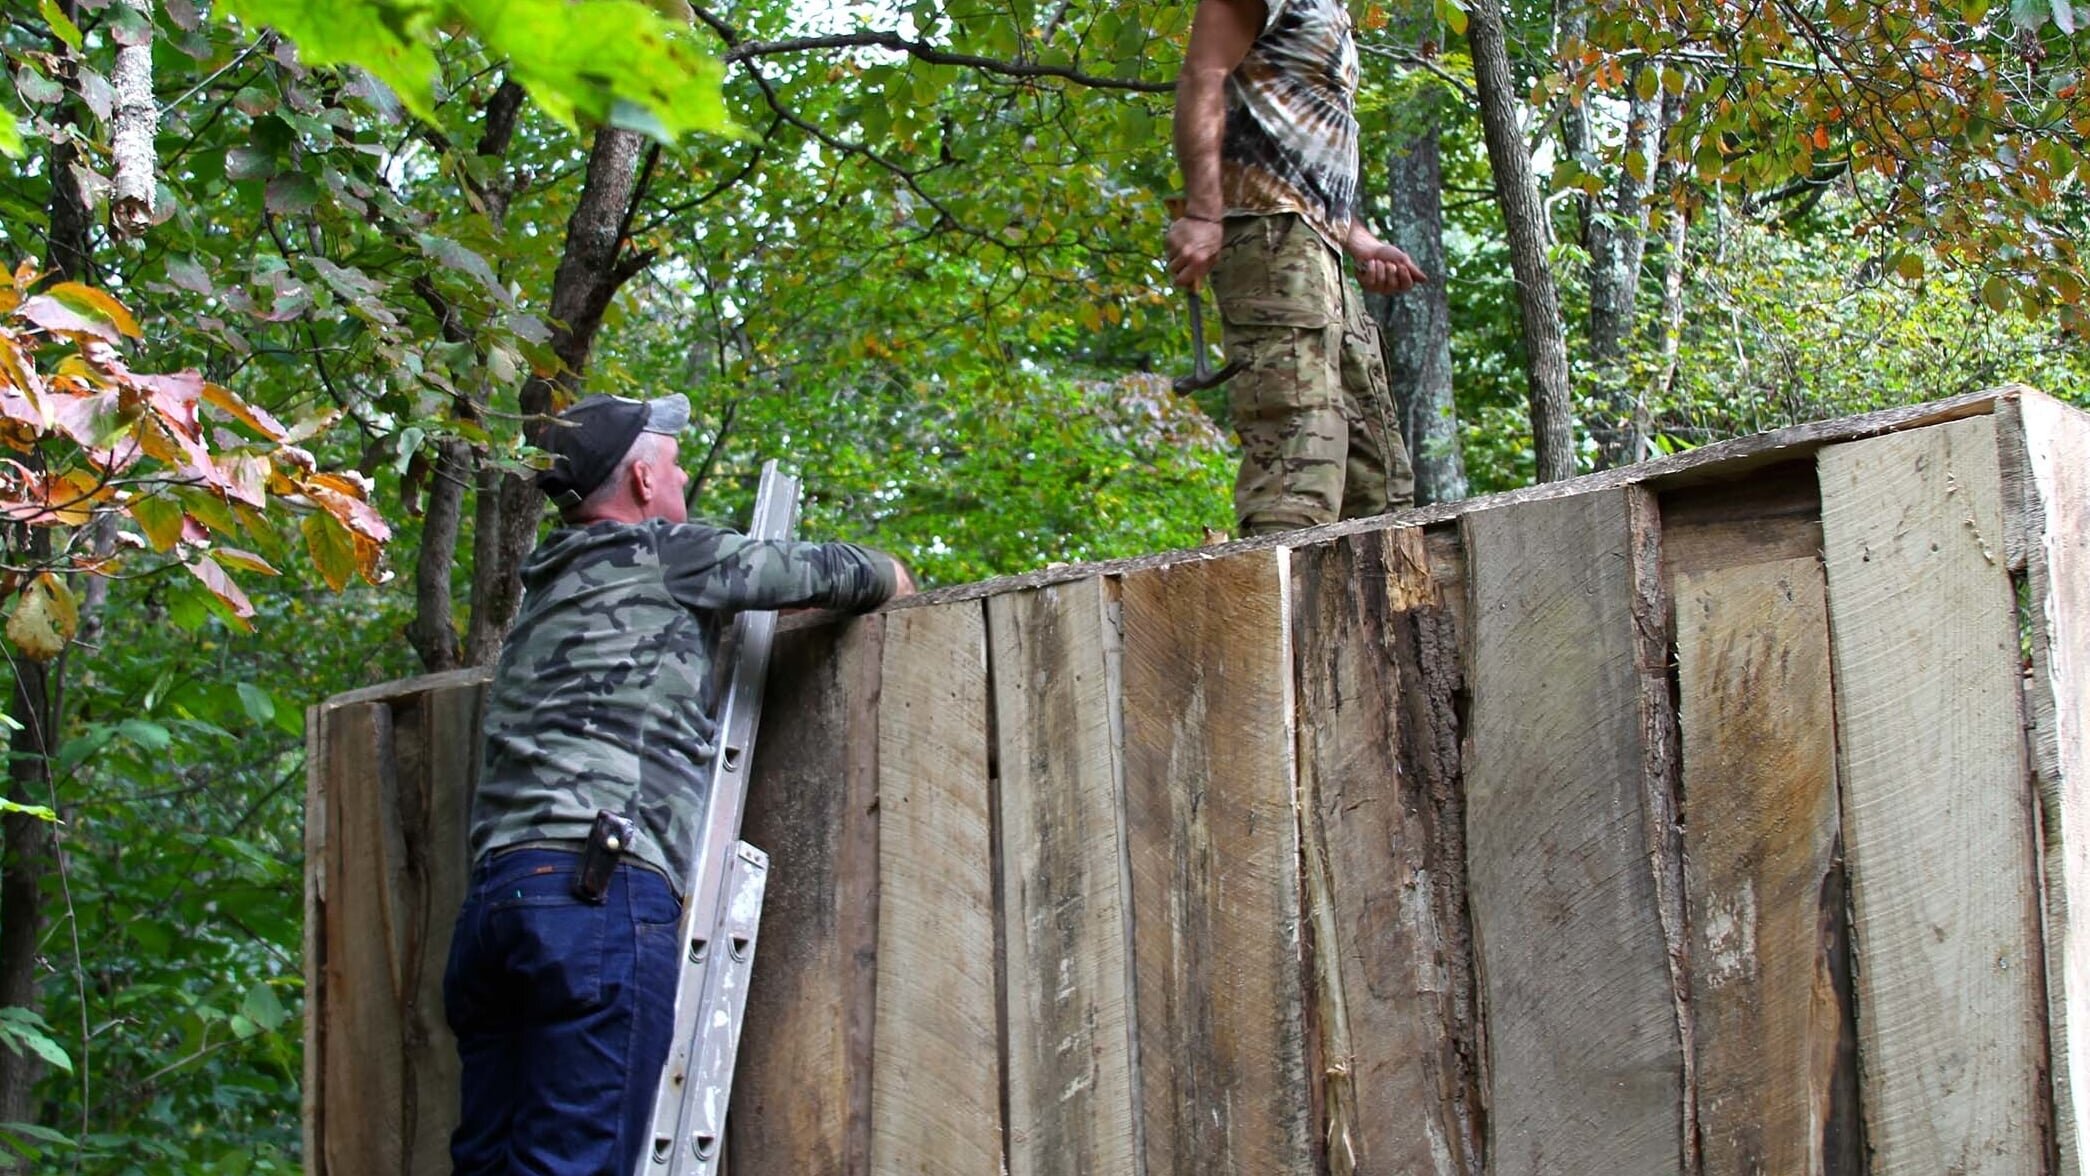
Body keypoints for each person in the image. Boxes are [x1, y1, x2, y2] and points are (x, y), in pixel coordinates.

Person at [442, 393, 913, 1174]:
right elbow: (843, 573)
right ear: (639, 477)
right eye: (673, 456)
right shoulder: (668, 553)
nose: (684, 471)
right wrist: (897, 573)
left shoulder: (545, 589)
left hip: (496, 906)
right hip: (596, 900)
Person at [1166, 0, 1426, 537]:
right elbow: (1202, 75)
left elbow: (1296, 141)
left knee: (1374, 474)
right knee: (1299, 457)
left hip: (1317, 245)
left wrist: (1361, 242)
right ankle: (1272, 613)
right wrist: (1202, 213)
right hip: (1268, 236)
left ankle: (1366, 618)